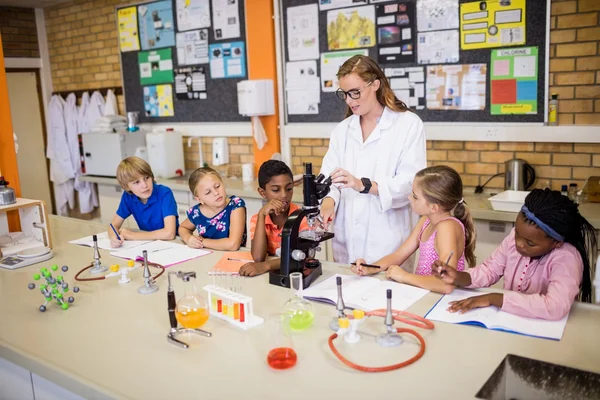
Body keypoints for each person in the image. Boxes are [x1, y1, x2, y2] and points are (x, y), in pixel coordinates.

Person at [319, 55, 426, 264]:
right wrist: (328, 203)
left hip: (387, 243)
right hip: (347, 241)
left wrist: (364, 186)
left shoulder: (408, 125)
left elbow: (411, 183)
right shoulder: (342, 131)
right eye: (344, 94)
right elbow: (329, 177)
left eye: (355, 92)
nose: (350, 100)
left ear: (375, 84)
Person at [432, 189, 598, 321]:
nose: (518, 243)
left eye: (530, 243)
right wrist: (457, 277)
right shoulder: (514, 239)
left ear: (557, 242)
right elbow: (489, 270)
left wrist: (495, 299)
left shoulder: (566, 258)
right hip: (510, 320)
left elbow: (555, 307)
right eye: (517, 232)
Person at [353, 166, 475, 294]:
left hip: (441, 302)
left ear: (433, 207)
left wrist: (405, 277)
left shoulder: (447, 227)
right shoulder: (426, 220)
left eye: (415, 196)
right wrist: (370, 268)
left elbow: (445, 285)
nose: (409, 198)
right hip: (425, 294)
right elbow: (398, 255)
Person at [239, 160, 309, 277]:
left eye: (289, 188)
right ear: (263, 193)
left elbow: (304, 256)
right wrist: (262, 215)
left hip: (295, 276)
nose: (284, 195)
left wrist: (267, 266)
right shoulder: (257, 219)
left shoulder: (302, 217)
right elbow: (258, 257)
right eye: (276, 190)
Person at [109, 156, 178, 247]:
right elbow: (113, 225)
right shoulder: (128, 196)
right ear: (127, 186)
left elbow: (169, 233)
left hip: (172, 244)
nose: (145, 185)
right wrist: (114, 237)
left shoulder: (164, 193)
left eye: (146, 178)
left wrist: (133, 235)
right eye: (137, 182)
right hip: (147, 243)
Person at [178, 167, 246, 251]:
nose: (216, 193)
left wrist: (202, 242)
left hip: (233, 257)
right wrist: (188, 238)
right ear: (199, 199)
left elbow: (233, 244)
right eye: (208, 192)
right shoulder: (196, 213)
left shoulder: (236, 205)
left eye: (217, 186)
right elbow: (183, 228)